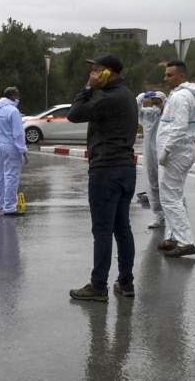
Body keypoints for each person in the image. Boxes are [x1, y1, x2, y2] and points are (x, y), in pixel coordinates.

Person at [67, 54, 138, 301]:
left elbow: (74, 114)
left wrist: (88, 88)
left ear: (107, 73)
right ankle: (126, 282)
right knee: (122, 227)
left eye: (96, 71)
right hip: (125, 169)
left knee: (103, 230)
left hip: (106, 170)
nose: (92, 75)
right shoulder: (127, 95)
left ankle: (98, 286)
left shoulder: (110, 98)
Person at [155, 61, 195, 258]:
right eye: (165, 75)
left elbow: (179, 127)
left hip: (176, 153)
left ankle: (185, 242)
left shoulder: (181, 97)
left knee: (170, 198)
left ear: (181, 76)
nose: (165, 79)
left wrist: (166, 150)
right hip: (178, 152)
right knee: (174, 196)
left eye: (170, 75)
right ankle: (174, 236)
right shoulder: (180, 95)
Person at [0, 86, 28, 216]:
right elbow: (18, 133)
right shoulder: (13, 111)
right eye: (18, 96)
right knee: (11, 177)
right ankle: (10, 207)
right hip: (10, 146)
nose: (19, 98)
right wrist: (23, 150)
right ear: (12, 97)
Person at [136, 89, 167, 229]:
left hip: (164, 153)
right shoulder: (148, 114)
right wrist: (141, 98)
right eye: (153, 103)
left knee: (166, 185)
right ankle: (158, 216)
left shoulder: (167, 115)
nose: (155, 106)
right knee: (152, 185)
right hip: (149, 153)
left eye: (158, 103)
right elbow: (135, 110)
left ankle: (171, 215)